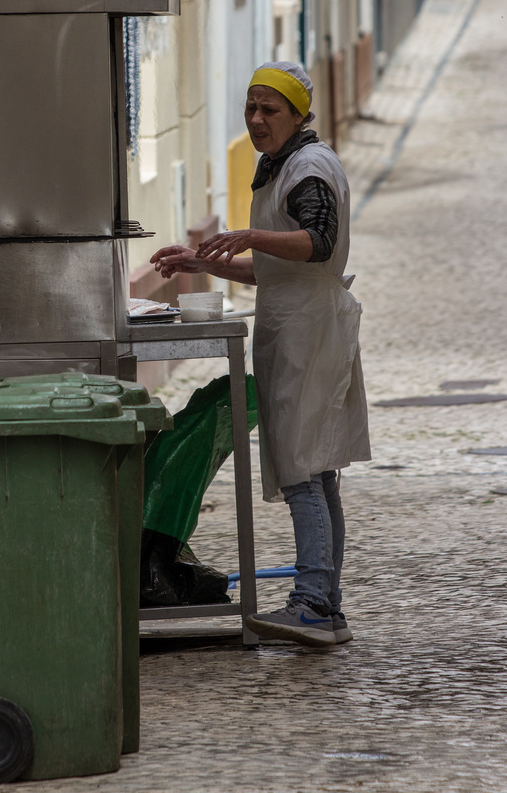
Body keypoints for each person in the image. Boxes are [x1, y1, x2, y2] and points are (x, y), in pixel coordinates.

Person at [151, 61, 370, 647]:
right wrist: (205, 264)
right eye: (251, 108)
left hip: (310, 334)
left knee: (305, 471)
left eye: (269, 109)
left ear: (299, 115)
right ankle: (325, 603)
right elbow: (278, 267)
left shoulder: (309, 167)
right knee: (315, 470)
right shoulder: (279, 168)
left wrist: (248, 236)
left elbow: (316, 242)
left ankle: (315, 604)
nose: (256, 119)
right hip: (293, 327)